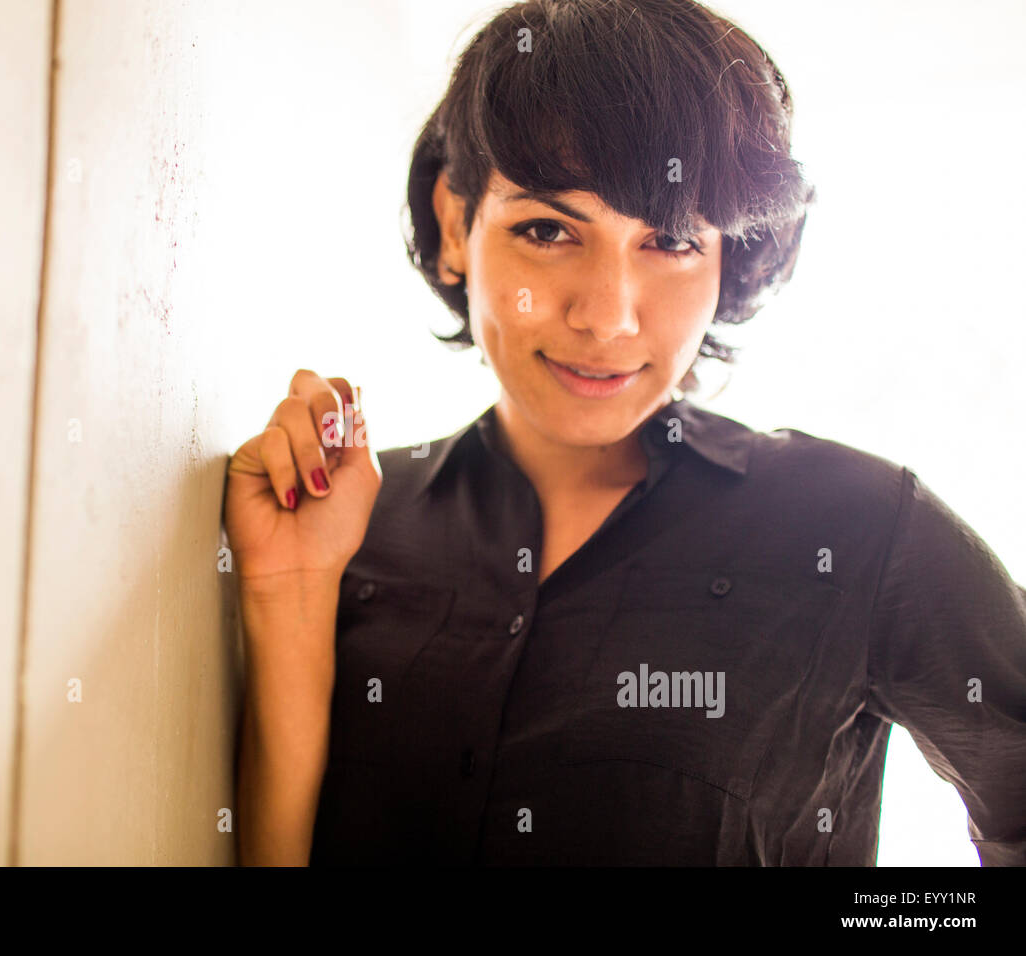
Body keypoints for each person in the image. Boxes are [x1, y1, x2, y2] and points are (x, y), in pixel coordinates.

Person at [222, 0, 1026, 865]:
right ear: (455, 225)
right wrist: (290, 599)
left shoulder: (861, 528)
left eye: (672, 240)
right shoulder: (346, 528)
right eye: (547, 229)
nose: (606, 317)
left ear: (733, 255)